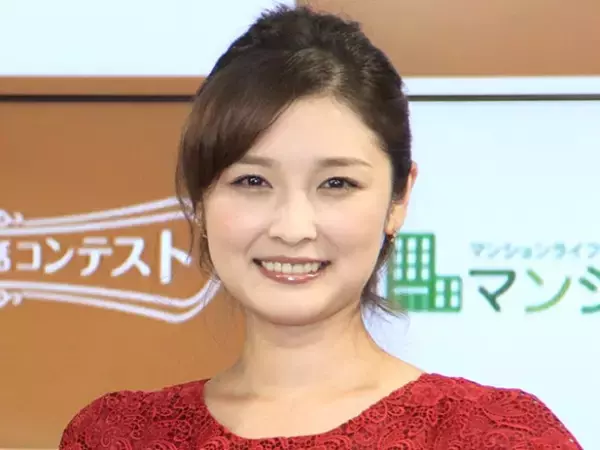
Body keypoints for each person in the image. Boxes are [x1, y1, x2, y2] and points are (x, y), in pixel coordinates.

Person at [59, 5, 582, 449]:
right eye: (252, 181)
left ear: (399, 198)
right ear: (200, 197)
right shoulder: (115, 435)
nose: (293, 228)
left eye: (336, 183)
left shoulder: (494, 435)